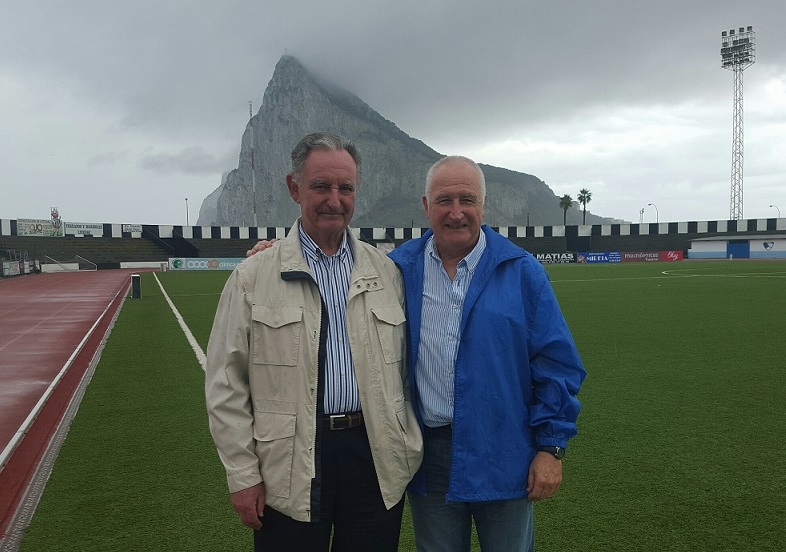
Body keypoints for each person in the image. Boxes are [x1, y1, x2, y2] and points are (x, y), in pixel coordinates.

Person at [248, 155, 586, 552]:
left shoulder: (522, 271)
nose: (456, 212)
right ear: (426, 206)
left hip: (504, 452)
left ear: (483, 205)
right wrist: (276, 253)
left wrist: (550, 447)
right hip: (429, 456)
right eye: (444, 200)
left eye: (467, 200)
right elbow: (329, 267)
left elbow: (556, 363)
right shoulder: (397, 269)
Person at [205, 132, 423, 552]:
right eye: (321, 186)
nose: (334, 200)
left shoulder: (387, 273)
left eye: (346, 188)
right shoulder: (253, 278)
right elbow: (225, 386)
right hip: (289, 462)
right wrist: (243, 475)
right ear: (294, 187)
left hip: (375, 456)